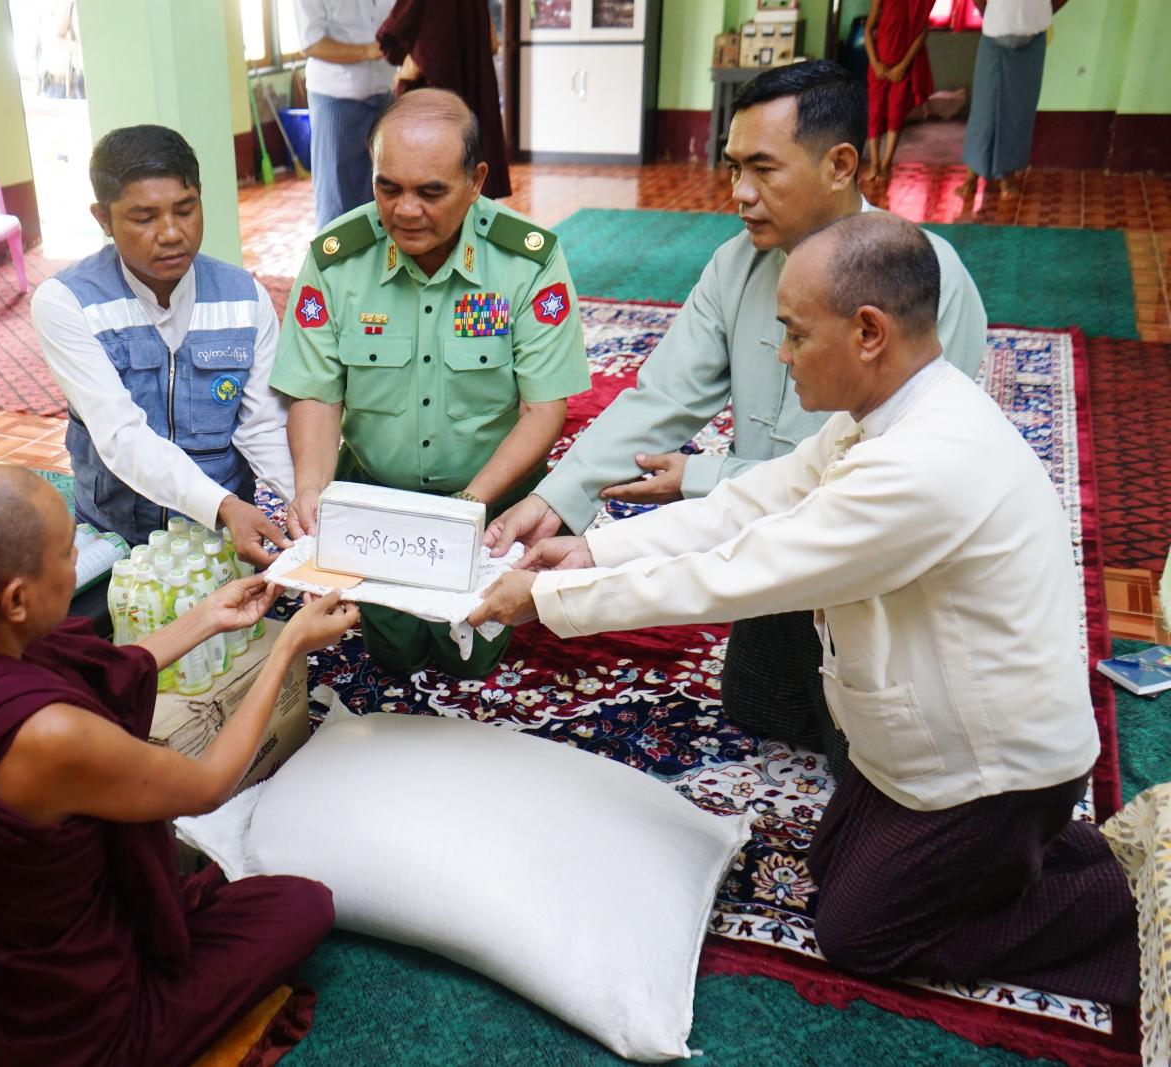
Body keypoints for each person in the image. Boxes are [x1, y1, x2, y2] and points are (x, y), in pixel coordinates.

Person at [470, 212, 1138, 1006]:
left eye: (794, 333)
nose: (781, 355)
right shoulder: (890, 412)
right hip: (940, 741)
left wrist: (549, 599)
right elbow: (755, 501)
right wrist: (593, 551)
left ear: (868, 332)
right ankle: (1034, 854)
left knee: (859, 932)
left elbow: (742, 573)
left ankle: (1118, 908)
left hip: (995, 769)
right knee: (834, 863)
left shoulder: (925, 462)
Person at [485, 60, 988, 775]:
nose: (740, 193)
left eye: (763, 168)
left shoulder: (923, 281)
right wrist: (556, 500)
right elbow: (662, 397)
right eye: (733, 168)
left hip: (875, 573)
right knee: (758, 706)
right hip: (763, 536)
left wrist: (699, 479)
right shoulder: (737, 264)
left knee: (880, 760)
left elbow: (863, 493)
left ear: (840, 165)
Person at [0, 462, 357, 1064]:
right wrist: (287, 646)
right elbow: (209, 785)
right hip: (52, 1026)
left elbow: (99, 673)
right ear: (16, 599)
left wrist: (205, 618)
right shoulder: (49, 735)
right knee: (300, 905)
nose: (79, 563)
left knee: (202, 878)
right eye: (67, 553)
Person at [271, 88, 591, 679]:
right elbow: (316, 392)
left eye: (431, 192)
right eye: (388, 187)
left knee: (468, 658)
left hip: (489, 499)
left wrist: (467, 510)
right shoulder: (337, 258)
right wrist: (313, 488)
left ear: (476, 181)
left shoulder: (526, 261)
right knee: (393, 653)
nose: (405, 210)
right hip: (378, 497)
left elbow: (544, 408)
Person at [32, 125, 294, 564]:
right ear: (103, 219)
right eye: (144, 218)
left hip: (222, 536)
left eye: (185, 210)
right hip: (116, 537)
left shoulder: (244, 298)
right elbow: (122, 436)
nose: (172, 233)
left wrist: (306, 505)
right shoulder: (67, 303)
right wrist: (223, 505)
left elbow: (264, 427)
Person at [377, 0, 511, 198]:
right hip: (473, 93)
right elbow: (493, 44)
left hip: (434, 106)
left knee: (432, 188)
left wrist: (402, 75)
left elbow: (420, 56)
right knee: (469, 183)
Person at [295, 0, 397, 229]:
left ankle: (380, 251)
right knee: (338, 201)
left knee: (384, 193)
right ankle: (337, 252)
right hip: (336, 97)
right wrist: (366, 51)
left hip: (385, 93)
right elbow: (311, 43)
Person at [958, 0, 1070, 200]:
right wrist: (995, 15)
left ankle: (1007, 177)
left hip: (1032, 38)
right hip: (995, 36)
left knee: (1019, 110)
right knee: (984, 109)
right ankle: (971, 177)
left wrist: (1039, 13)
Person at [862, 0, 934, 184]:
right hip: (878, 66)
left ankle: (886, 163)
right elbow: (868, 30)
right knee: (875, 114)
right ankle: (874, 163)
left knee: (896, 115)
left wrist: (902, 66)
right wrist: (874, 63)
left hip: (903, 69)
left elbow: (922, 32)